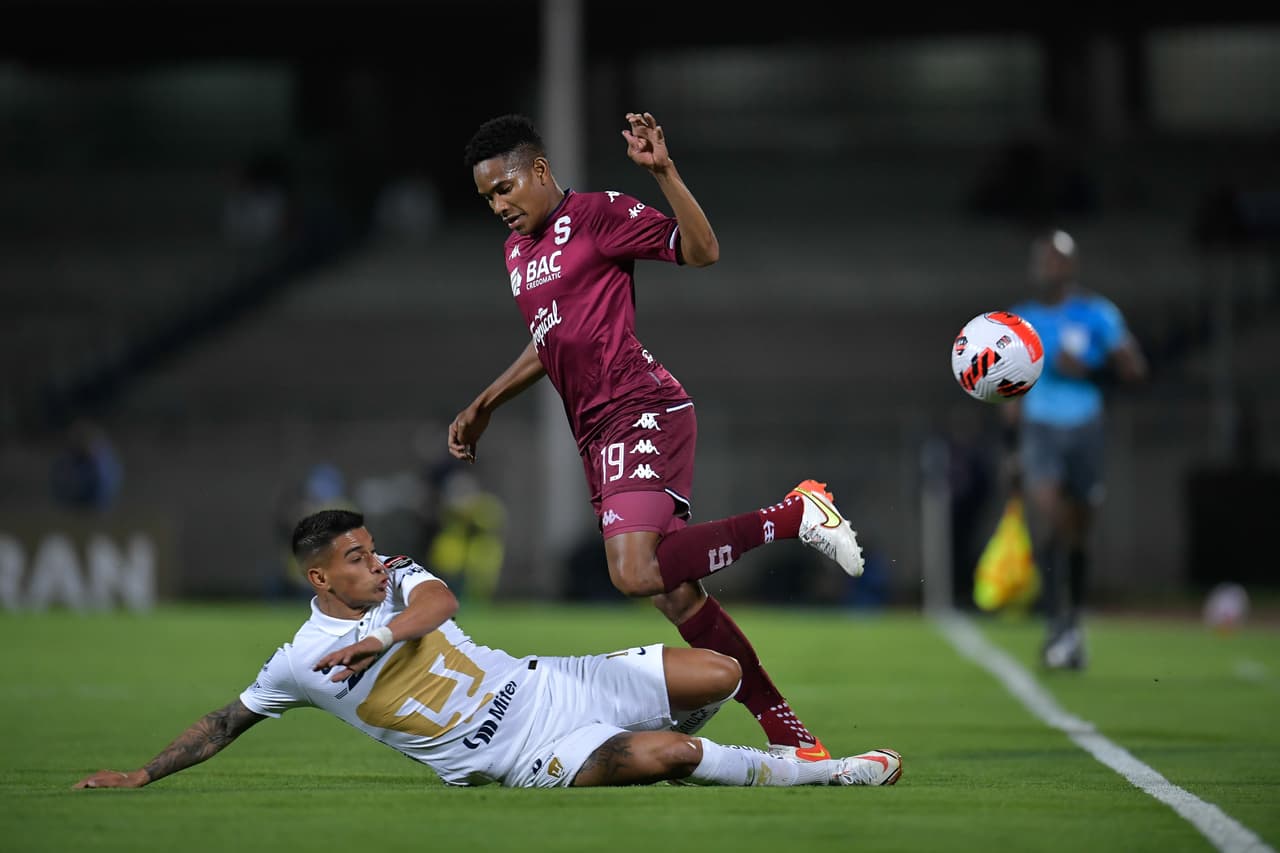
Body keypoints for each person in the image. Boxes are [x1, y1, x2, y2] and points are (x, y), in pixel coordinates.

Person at [448, 112, 865, 760]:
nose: (498, 206)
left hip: (642, 407)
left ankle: (793, 515)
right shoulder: (517, 253)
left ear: (537, 170)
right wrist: (485, 402)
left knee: (634, 572)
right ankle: (789, 732)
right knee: (674, 592)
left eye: (503, 188)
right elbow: (551, 338)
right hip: (597, 432)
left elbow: (702, 251)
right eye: (486, 199)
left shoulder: (599, 215)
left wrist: (665, 172)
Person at [73, 509, 902, 790]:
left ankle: (644, 750)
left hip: (551, 681)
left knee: (716, 672)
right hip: (522, 750)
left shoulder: (398, 585)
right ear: (321, 576)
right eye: (356, 557)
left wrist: (384, 636)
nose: (376, 561)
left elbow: (443, 599)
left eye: (373, 548)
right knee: (677, 751)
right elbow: (226, 720)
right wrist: (143, 772)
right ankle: (825, 771)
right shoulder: (298, 660)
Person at [1002, 229, 1148, 669]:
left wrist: (1090, 369)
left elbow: (1135, 368)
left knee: (1078, 532)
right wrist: (1009, 440)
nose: (1050, 267)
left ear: (1071, 265)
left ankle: (1072, 621)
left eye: (1057, 259)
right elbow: (1005, 389)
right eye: (1043, 259)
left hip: (1085, 427)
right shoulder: (1018, 323)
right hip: (1040, 429)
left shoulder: (1096, 314)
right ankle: (1056, 625)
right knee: (1052, 515)